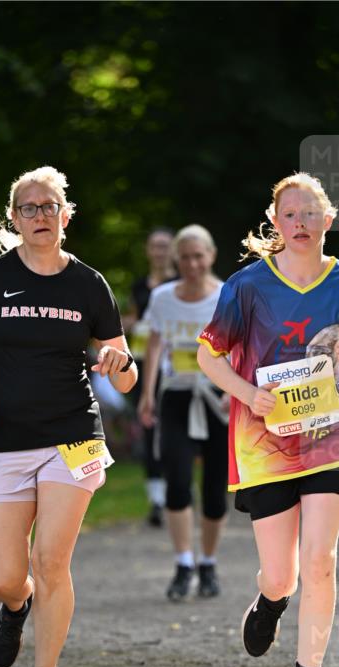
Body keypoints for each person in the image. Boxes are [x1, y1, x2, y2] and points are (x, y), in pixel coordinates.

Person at [196, 173, 339, 667]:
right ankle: (271, 600)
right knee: (282, 574)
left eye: (309, 214)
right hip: (264, 441)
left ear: (328, 220)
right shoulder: (247, 286)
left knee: (320, 560)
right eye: (289, 214)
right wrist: (247, 393)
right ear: (275, 222)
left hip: (332, 436)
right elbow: (208, 356)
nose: (300, 223)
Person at [0, 165, 137, 667]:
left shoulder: (89, 284)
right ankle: (17, 604)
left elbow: (126, 375)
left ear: (66, 215)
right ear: (14, 218)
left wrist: (120, 363)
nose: (40, 216)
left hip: (73, 435)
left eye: (50, 206)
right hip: (4, 437)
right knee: (5, 576)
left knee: (51, 559)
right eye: (29, 208)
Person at [138, 225, 227, 600]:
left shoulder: (227, 296)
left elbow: (242, 347)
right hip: (175, 396)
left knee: (215, 491)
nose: (192, 264)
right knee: (176, 480)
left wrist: (236, 392)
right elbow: (154, 343)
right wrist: (147, 394)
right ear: (176, 259)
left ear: (211, 256)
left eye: (198, 256)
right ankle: (183, 563)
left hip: (218, 399)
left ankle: (208, 563)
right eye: (185, 257)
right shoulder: (162, 297)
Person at [124, 228, 177, 526]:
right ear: (148, 250)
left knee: (171, 428)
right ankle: (156, 499)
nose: (159, 252)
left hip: (173, 366)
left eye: (164, 246)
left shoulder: (179, 284)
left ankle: (175, 490)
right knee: (147, 427)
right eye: (155, 246)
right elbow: (134, 318)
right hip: (143, 364)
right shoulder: (138, 286)